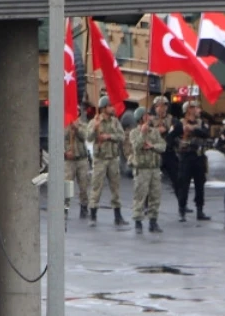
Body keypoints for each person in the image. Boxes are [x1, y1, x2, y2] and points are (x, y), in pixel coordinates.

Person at [87, 96, 127, 227]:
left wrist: (109, 136)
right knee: (96, 187)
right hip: (100, 159)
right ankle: (92, 214)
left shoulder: (115, 122)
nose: (112, 108)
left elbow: (122, 136)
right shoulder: (95, 121)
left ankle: (118, 215)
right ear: (104, 108)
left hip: (113, 159)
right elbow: (88, 137)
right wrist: (95, 129)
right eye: (110, 106)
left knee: (115, 188)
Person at [170, 101, 212, 222]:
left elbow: (205, 134)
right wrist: (180, 139)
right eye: (192, 107)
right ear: (187, 110)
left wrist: (193, 129)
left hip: (198, 156)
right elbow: (170, 137)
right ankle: (182, 210)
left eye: (196, 107)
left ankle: (200, 210)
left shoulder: (201, 123)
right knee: (183, 185)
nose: (196, 110)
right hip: (185, 156)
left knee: (200, 185)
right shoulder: (179, 123)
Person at [128, 108, 165, 234]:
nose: (149, 117)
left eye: (149, 115)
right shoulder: (134, 132)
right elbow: (136, 147)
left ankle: (153, 221)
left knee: (155, 195)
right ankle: (138, 221)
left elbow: (163, 146)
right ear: (141, 118)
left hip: (154, 168)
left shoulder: (154, 132)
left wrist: (152, 146)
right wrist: (142, 134)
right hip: (142, 169)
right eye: (146, 115)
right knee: (140, 195)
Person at [64, 109, 92, 220]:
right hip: (69, 160)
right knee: (67, 185)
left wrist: (77, 129)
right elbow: (59, 140)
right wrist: (65, 152)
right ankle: (64, 208)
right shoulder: (64, 125)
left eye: (77, 112)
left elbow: (86, 136)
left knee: (84, 185)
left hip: (82, 160)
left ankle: (84, 208)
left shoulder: (83, 125)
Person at [152, 96, 179, 191]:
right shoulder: (150, 121)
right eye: (158, 106)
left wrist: (166, 130)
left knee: (176, 178)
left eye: (163, 106)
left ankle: (181, 203)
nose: (161, 108)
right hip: (154, 152)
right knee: (150, 179)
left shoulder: (172, 120)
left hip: (168, 151)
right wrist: (156, 131)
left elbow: (176, 130)